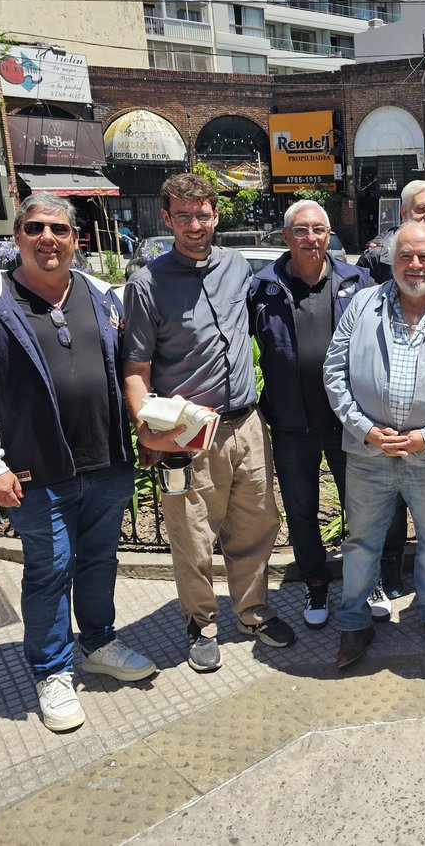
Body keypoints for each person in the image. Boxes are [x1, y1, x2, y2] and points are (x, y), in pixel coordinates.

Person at [0, 194, 155, 731]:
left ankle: (99, 641)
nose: (48, 238)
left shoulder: (103, 294)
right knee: (49, 571)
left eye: (59, 230)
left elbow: (131, 367)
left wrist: (149, 427)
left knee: (98, 561)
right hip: (34, 471)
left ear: (75, 239)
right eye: (35, 227)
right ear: (16, 237)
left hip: (107, 460)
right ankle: (51, 670)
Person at [123, 172, 295, 674]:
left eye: (202, 214)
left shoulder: (236, 265)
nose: (194, 224)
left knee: (256, 523)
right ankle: (201, 621)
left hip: (246, 423)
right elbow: (135, 369)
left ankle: (253, 612)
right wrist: (145, 427)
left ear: (216, 214)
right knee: (192, 533)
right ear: (167, 218)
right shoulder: (147, 283)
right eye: (183, 216)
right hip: (188, 431)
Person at [325, 221, 425, 669]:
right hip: (368, 452)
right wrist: (365, 429)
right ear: (391, 260)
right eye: (406, 256)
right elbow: (334, 374)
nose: (416, 265)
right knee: (361, 544)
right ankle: (354, 624)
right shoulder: (362, 305)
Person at [250, 199, 372, 631]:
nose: (311, 238)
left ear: (329, 235)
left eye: (319, 229)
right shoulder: (263, 289)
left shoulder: (357, 281)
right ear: (286, 237)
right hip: (290, 424)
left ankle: (365, 581)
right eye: (301, 230)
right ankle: (316, 581)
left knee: (359, 508)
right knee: (301, 511)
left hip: (347, 421)